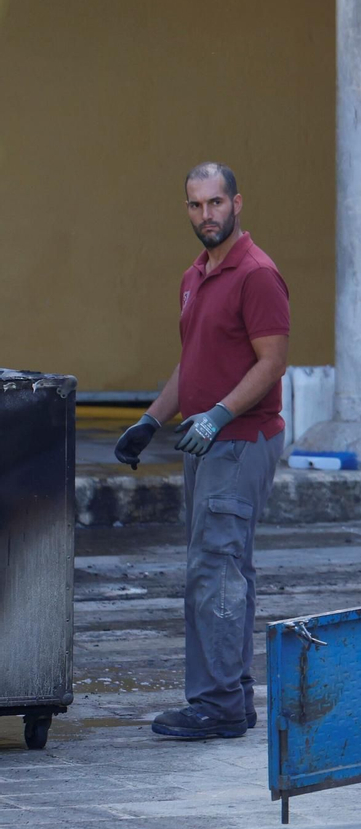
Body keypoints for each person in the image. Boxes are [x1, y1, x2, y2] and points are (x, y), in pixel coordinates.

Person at [113, 163, 290, 740]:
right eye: (195, 206)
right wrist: (151, 418)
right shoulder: (196, 275)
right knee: (224, 567)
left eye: (216, 203)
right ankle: (232, 698)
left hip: (239, 441)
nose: (206, 215)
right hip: (203, 442)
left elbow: (271, 363)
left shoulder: (256, 274)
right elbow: (192, 363)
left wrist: (218, 414)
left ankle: (216, 705)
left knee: (215, 570)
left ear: (238, 203)